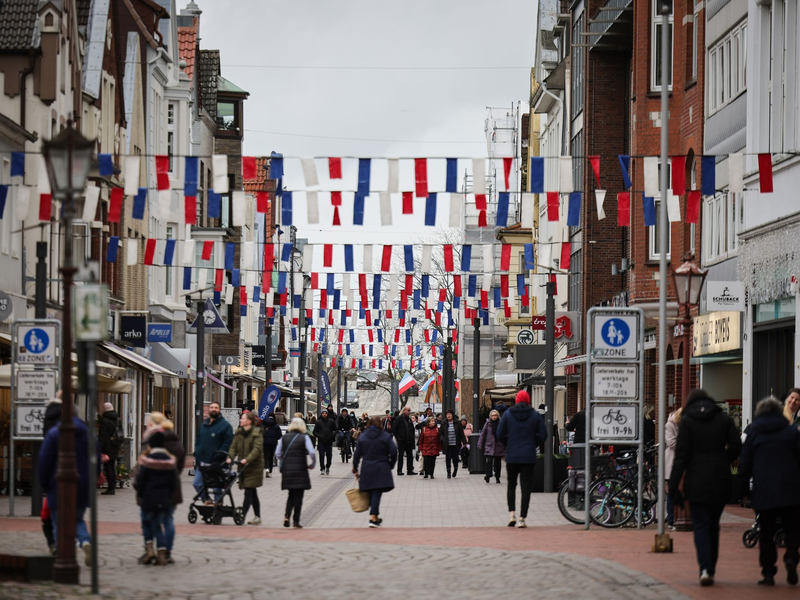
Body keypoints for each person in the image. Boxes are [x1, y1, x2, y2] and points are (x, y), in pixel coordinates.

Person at [668, 388, 742, 587]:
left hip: (697, 479)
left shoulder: (688, 422)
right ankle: (711, 567)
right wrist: (722, 458)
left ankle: (705, 568)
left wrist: (673, 487)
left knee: (700, 525)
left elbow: (681, 457)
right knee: (713, 526)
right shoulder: (724, 419)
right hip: (720, 478)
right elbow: (736, 446)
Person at [738, 397, 800, 587]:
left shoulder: (754, 433)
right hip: (791, 488)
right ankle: (791, 556)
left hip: (764, 488)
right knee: (792, 528)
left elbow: (745, 463)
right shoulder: (791, 431)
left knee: (766, 532)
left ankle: (768, 572)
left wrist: (743, 491)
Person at [39, 403, 99, 567]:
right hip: (83, 484)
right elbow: (96, 460)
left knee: (59, 521)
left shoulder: (54, 433)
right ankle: (86, 543)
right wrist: (93, 479)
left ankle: (62, 553)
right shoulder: (88, 434)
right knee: (77, 519)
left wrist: (44, 484)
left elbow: (44, 461)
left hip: (56, 484)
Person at [497, 389, 547, 529]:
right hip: (528, 456)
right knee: (526, 487)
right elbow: (543, 434)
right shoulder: (535, 415)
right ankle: (522, 519)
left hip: (512, 456)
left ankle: (511, 514)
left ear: (517, 400)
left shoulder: (507, 414)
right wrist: (533, 443)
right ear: (528, 400)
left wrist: (508, 444)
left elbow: (499, 434)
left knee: (511, 485)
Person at [134, 431, 177, 566]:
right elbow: (174, 482)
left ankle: (149, 549)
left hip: (149, 498)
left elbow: (140, 481)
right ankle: (162, 554)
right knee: (158, 525)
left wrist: (141, 493)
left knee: (147, 523)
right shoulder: (170, 461)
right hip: (164, 499)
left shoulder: (147, 460)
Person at [353, 416, 398, 527]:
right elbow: (393, 451)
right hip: (381, 466)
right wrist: (390, 465)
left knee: (372, 491)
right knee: (376, 492)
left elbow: (357, 454)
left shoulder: (363, 437)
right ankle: (373, 517)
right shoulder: (385, 436)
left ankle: (375, 517)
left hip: (367, 467)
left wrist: (355, 468)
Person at [275, 417, 316, 528]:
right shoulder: (304, 438)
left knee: (290, 495)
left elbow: (278, 453)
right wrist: (312, 464)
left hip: (287, 470)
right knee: (299, 497)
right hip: (301, 469)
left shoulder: (284, 438)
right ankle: (296, 521)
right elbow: (312, 452)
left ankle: (287, 516)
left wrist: (283, 458)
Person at [193, 401, 234, 504]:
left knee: (217, 488)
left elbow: (227, 442)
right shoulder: (204, 425)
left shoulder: (225, 426)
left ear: (219, 410)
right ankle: (207, 500)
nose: (214, 409)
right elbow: (198, 441)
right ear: (209, 410)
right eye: (212, 407)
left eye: (216, 407)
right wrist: (197, 453)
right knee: (197, 483)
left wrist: (219, 455)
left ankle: (218, 507)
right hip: (202, 462)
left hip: (217, 463)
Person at [228, 412, 265, 525]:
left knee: (248, 491)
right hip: (243, 466)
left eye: (242, 418)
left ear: (249, 421)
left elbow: (257, 449)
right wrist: (229, 457)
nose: (240, 420)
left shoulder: (256, 433)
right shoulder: (239, 433)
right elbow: (233, 447)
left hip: (254, 467)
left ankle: (242, 515)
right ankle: (257, 517)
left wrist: (247, 459)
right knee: (252, 492)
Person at [159, 418, 185, 565]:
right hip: (173, 485)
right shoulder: (179, 447)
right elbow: (180, 469)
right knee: (169, 519)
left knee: (154, 520)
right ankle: (168, 551)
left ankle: (157, 548)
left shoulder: (157, 446)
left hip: (157, 486)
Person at [663, 408, 682, 530]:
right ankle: (671, 520)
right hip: (673, 462)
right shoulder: (670, 425)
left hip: (683, 462)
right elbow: (671, 443)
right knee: (671, 493)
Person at [99, 402, 123, 495]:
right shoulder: (118, 419)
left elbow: (102, 436)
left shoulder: (104, 421)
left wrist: (99, 448)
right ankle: (112, 486)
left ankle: (111, 488)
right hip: (115, 445)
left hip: (107, 447)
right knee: (112, 466)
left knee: (108, 467)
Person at [479, 409, 506, 484]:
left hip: (498, 445)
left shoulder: (501, 423)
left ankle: (497, 477)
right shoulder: (488, 423)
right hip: (489, 445)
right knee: (489, 461)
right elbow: (483, 434)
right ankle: (488, 475)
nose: (494, 417)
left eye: (495, 415)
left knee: (498, 463)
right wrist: (480, 443)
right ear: (490, 416)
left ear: (498, 416)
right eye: (492, 415)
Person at [439, 409, 467, 478]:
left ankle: (455, 469)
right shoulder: (444, 423)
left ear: (452, 415)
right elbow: (440, 433)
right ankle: (448, 472)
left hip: (455, 443)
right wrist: (442, 439)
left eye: (450, 414)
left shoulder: (457, 422)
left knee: (455, 458)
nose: (448, 416)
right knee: (448, 458)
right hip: (447, 444)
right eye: (447, 414)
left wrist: (464, 442)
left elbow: (461, 433)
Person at [392, 405, 416, 475]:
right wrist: (398, 437)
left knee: (410, 456)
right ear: (404, 410)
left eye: (410, 411)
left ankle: (409, 470)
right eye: (408, 410)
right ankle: (399, 470)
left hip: (409, 441)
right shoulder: (399, 419)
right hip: (402, 440)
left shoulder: (409, 419)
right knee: (401, 456)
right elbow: (394, 429)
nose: (409, 412)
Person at [315, 408, 337, 475]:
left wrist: (332, 435)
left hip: (329, 441)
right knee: (321, 455)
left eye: (325, 413)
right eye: (323, 413)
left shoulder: (331, 421)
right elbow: (314, 432)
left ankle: (328, 466)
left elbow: (336, 429)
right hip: (321, 441)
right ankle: (322, 468)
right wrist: (319, 436)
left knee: (329, 455)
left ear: (327, 414)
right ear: (321, 414)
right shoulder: (318, 422)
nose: (324, 414)